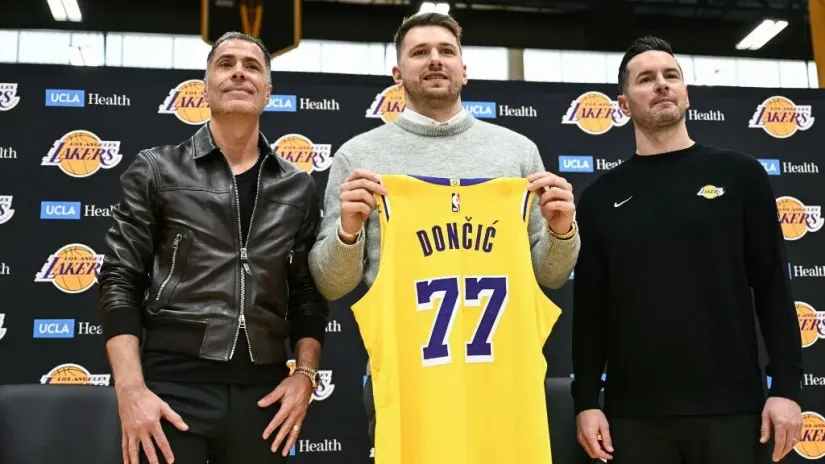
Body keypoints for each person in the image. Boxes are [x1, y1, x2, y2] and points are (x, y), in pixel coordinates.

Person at [308, 11, 580, 450]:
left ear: (464, 69)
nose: (434, 60)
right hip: (410, 386)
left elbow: (549, 276)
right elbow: (332, 284)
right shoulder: (359, 157)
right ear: (398, 73)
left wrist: (563, 231)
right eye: (420, 53)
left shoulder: (516, 153)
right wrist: (348, 230)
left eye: (446, 51)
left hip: (503, 387)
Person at [98, 32, 328, 464]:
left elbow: (308, 294)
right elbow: (118, 279)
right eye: (225, 64)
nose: (239, 71)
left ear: (268, 91)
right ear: (205, 87)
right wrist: (129, 391)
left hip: (263, 398)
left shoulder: (297, 187)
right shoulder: (157, 169)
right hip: (170, 389)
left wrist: (305, 376)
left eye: (252, 66)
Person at [571, 35, 804, 464]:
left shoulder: (741, 175)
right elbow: (589, 310)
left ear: (686, 93)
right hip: (634, 416)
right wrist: (586, 400)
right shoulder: (601, 196)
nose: (661, 84)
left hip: (734, 409)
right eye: (645, 79)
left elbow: (773, 288)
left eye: (670, 75)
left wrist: (787, 388)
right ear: (623, 104)